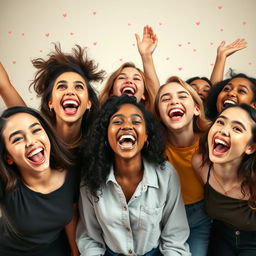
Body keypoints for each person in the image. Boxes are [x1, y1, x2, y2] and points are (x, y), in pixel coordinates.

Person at [77, 95, 191, 256]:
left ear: (146, 136)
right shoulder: (90, 178)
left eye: (136, 121)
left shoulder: (166, 174)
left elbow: (174, 239)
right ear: (105, 135)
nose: (127, 126)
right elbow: (90, 239)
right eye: (117, 121)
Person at [0, 106, 80, 256]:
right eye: (17, 138)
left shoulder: (72, 172)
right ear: (8, 157)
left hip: (56, 249)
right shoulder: (5, 184)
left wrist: (75, 251)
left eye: (36, 130)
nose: (30, 141)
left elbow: (71, 212)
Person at [0, 43, 105, 148]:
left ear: (88, 103)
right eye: (62, 86)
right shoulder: (38, 137)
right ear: (50, 102)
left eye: (78, 87)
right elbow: (5, 86)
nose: (70, 91)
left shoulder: (98, 142)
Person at [154, 76, 211, 256]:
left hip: (200, 217)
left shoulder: (210, 141)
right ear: (159, 115)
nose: (174, 101)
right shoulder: (154, 147)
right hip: (164, 217)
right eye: (166, 99)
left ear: (196, 108)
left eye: (182, 96)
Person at [192, 104, 256, 255]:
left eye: (237, 129)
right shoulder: (200, 164)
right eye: (220, 122)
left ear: (251, 148)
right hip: (221, 238)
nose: (223, 130)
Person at [98, 25, 160, 112]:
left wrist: (146, 56)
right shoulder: (98, 118)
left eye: (136, 78)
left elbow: (155, 94)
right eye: (122, 77)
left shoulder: (150, 121)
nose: (129, 81)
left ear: (144, 94)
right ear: (111, 92)